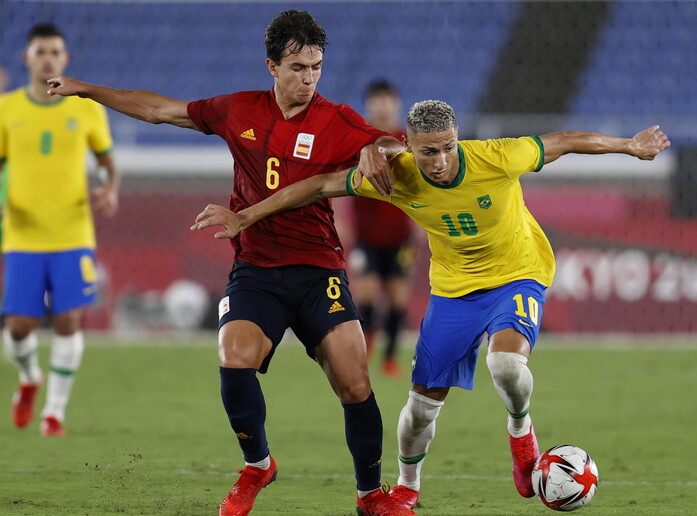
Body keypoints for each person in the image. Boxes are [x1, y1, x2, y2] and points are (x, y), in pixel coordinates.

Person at [191, 100, 671, 509]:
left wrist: (629, 146)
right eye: (428, 152)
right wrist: (246, 215)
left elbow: (564, 140)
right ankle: (405, 490)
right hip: (453, 291)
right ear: (410, 148)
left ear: (457, 139)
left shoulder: (498, 157)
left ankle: (522, 436)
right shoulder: (395, 176)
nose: (440, 160)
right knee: (420, 409)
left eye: (447, 147)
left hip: (517, 276)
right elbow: (318, 187)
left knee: (504, 365)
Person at [47, 10, 415, 516]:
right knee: (233, 353)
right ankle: (258, 464)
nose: (308, 79)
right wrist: (86, 88)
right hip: (257, 269)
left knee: (355, 381)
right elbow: (159, 110)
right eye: (297, 67)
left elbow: (390, 143)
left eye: (316, 68)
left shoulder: (336, 119)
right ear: (271, 66)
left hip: (318, 269)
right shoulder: (238, 110)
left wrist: (379, 147)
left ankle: (371, 495)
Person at [0, 23, 120, 437]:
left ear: (65, 59)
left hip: (72, 234)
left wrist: (110, 188)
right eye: (41, 51)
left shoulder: (86, 108)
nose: (48, 57)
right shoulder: (6, 110)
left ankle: (54, 413)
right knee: (17, 327)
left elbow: (107, 162)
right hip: (22, 235)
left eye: (55, 51)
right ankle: (30, 377)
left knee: (69, 321)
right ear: (27, 58)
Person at [351, 80, 413, 377]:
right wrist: (338, 220)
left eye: (388, 99)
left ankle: (389, 359)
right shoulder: (357, 138)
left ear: (397, 104)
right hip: (366, 236)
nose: (383, 105)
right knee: (366, 296)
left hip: (400, 237)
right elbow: (337, 178)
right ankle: (367, 342)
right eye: (377, 100)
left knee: (399, 299)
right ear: (369, 105)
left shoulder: (409, 139)